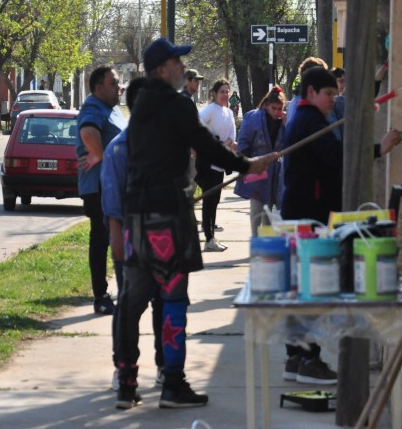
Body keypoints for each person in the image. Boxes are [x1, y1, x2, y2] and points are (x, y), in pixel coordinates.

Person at [114, 37, 276, 409]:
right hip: (168, 217)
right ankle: (172, 383)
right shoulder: (177, 105)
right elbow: (205, 144)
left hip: (137, 216)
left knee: (132, 299)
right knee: (173, 298)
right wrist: (248, 165)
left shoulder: (139, 109)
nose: (182, 68)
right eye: (176, 62)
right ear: (161, 70)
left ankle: (126, 382)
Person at [281, 66, 402, 384]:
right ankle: (308, 359)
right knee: (311, 287)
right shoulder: (309, 121)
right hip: (310, 215)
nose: (334, 99)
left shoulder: (312, 118)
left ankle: (296, 354)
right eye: (329, 94)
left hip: (306, 212)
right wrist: (379, 149)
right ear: (311, 93)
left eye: (335, 93)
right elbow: (338, 157)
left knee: (302, 285)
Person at [101, 77, 164, 395]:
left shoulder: (162, 146)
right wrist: (117, 245)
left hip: (163, 241)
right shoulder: (119, 149)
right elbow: (113, 205)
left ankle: (165, 366)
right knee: (128, 305)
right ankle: (122, 368)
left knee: (164, 305)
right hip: (129, 242)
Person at [76, 65, 126, 315]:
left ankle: (124, 287)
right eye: (114, 82)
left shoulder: (111, 109)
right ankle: (101, 295)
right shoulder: (93, 106)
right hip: (99, 186)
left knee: (120, 235)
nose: (120, 87)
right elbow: (87, 131)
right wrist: (101, 156)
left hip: (114, 185)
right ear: (98, 87)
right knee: (101, 238)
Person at [234, 86, 287, 236]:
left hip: (275, 171)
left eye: (280, 109)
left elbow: (289, 143)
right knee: (257, 208)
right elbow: (244, 142)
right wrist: (245, 164)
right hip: (257, 167)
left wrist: (286, 124)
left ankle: (266, 242)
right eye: (274, 108)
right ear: (266, 105)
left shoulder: (283, 121)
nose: (277, 112)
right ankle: (256, 239)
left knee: (269, 209)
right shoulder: (254, 118)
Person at [196, 79, 235, 252]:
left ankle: (211, 234)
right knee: (209, 199)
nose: (225, 95)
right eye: (222, 92)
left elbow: (232, 134)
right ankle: (208, 237)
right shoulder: (210, 110)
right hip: (208, 163)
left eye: (227, 91)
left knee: (215, 200)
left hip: (220, 163)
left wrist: (230, 143)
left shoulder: (228, 112)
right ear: (214, 93)